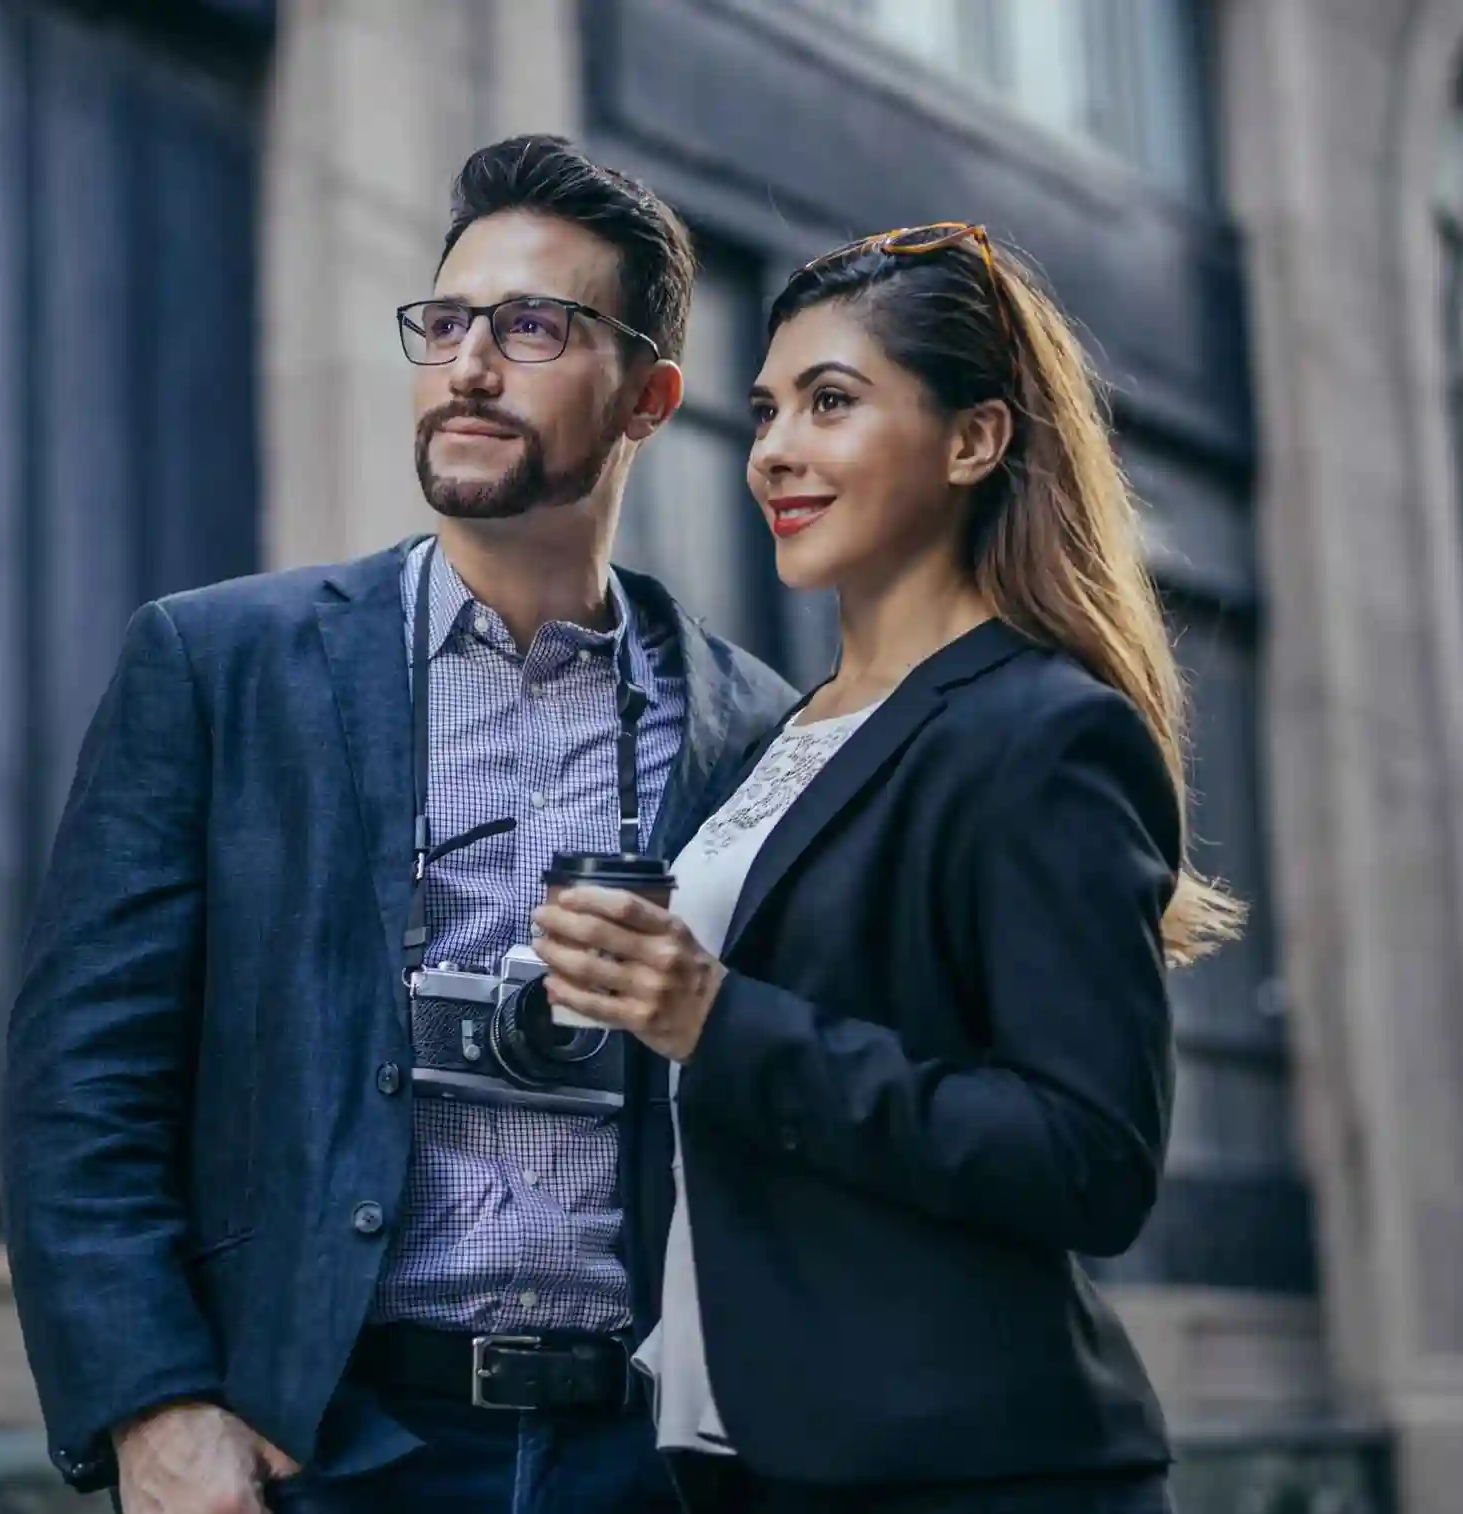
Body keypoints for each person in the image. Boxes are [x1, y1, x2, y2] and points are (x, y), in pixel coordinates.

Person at [2, 135, 796, 1514]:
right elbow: (83, 1083)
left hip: (646, 1461)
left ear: (649, 398)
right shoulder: (218, 664)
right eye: (446, 322)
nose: (471, 367)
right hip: (323, 1449)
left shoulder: (755, 728)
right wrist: (152, 1406)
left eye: (534, 325)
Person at [531, 222, 1247, 1513]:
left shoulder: (1046, 728)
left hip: (961, 1472)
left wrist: (714, 1015)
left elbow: (1089, 1157)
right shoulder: (783, 733)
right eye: (764, 412)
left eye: (832, 402)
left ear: (974, 440)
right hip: (737, 1456)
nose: (775, 452)